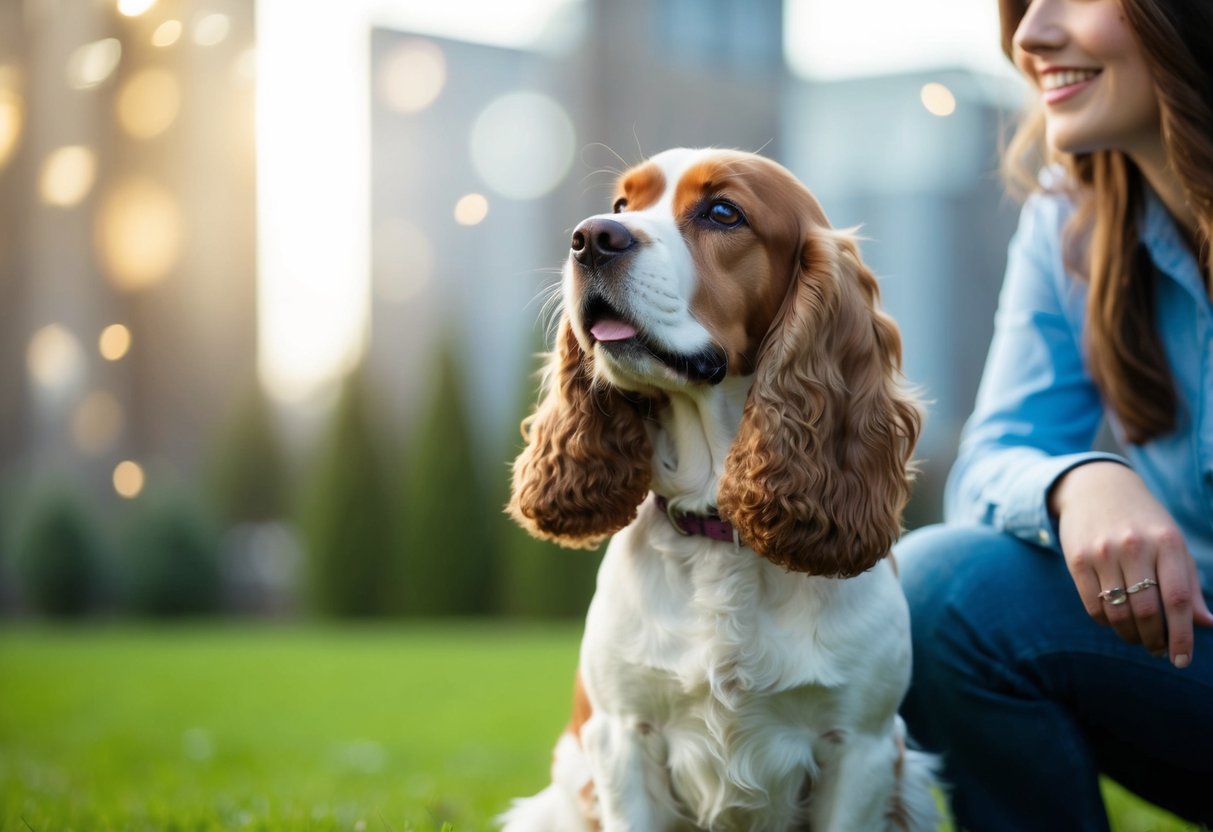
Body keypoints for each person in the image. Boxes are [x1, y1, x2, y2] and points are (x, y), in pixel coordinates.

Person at [896, 0, 1213, 829]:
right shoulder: (1067, 222)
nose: (1030, 35)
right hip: (1198, 660)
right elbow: (994, 456)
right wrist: (1077, 482)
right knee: (942, 592)